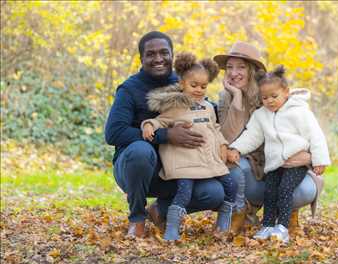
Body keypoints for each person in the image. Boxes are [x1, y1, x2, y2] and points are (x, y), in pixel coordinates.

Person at [105, 31, 226, 238]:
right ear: (142, 58)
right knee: (141, 151)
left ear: (172, 55)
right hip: (136, 168)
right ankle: (137, 218)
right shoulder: (129, 89)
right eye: (151, 54)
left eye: (164, 53)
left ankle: (160, 210)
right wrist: (165, 135)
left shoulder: (185, 83)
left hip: (178, 167)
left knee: (214, 193)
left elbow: (207, 111)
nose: (158, 58)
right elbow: (114, 133)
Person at [213, 41, 324, 234]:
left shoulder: (276, 95)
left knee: (294, 189)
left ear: (252, 70)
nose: (233, 72)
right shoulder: (228, 98)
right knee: (244, 172)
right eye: (229, 67)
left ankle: (288, 217)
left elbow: (313, 134)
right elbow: (234, 137)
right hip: (260, 165)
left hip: (291, 162)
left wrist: (313, 158)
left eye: (240, 67)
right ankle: (253, 218)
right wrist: (237, 99)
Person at [141, 52, 237, 240]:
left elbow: (215, 128)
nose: (199, 90)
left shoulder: (208, 107)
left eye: (203, 86)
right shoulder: (175, 106)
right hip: (185, 162)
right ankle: (171, 229)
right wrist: (149, 125)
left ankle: (223, 225)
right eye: (194, 85)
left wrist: (224, 145)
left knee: (231, 186)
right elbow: (160, 121)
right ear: (183, 83)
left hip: (208, 160)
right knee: (184, 193)